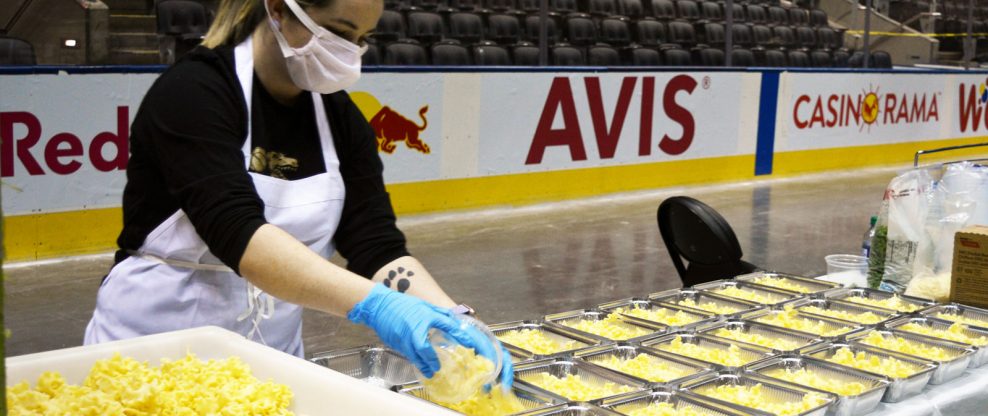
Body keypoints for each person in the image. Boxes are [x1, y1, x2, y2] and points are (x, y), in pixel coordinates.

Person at [83, 0, 512, 387]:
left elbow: (375, 244)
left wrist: (455, 320)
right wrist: (378, 306)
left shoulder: (340, 118)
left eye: (361, 40)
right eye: (339, 33)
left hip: (269, 361)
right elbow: (239, 234)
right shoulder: (194, 92)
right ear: (279, 10)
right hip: (151, 356)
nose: (350, 52)